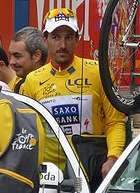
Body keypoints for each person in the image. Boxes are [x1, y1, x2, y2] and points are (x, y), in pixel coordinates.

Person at [22, 8, 126, 191]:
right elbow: (28, 132)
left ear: (77, 39)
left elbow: (114, 121)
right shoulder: (32, 80)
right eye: (55, 37)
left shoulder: (97, 71)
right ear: (45, 40)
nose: (62, 45)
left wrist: (113, 158)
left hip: (92, 169)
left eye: (69, 37)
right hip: (51, 173)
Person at [8, 26, 48, 93]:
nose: (11, 62)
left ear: (36, 56)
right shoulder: (18, 85)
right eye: (10, 56)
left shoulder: (49, 87)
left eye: (17, 56)